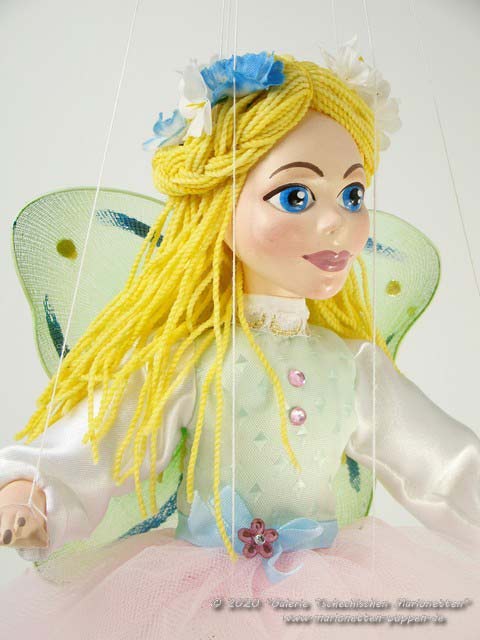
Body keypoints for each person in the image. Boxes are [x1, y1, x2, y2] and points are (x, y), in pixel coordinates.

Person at [0, 46, 478, 639]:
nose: (337, 221)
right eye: (296, 196)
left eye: (353, 196)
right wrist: (34, 491)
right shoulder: (192, 357)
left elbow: (443, 466)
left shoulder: (350, 364)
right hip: (193, 594)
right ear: (217, 208)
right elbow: (109, 439)